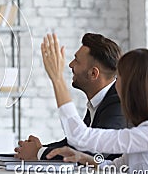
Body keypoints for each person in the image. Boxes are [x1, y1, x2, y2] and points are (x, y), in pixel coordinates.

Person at [41, 33, 148, 174]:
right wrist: (82, 158)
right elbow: (113, 168)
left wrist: (57, 79)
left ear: (131, 87)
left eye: (119, 76)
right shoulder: (144, 133)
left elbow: (79, 137)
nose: (115, 81)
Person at [15, 33, 126, 161]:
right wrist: (37, 149)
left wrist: (39, 152)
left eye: (77, 61)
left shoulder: (118, 104)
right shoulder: (100, 101)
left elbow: (91, 153)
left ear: (93, 73)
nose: (70, 65)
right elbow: (74, 143)